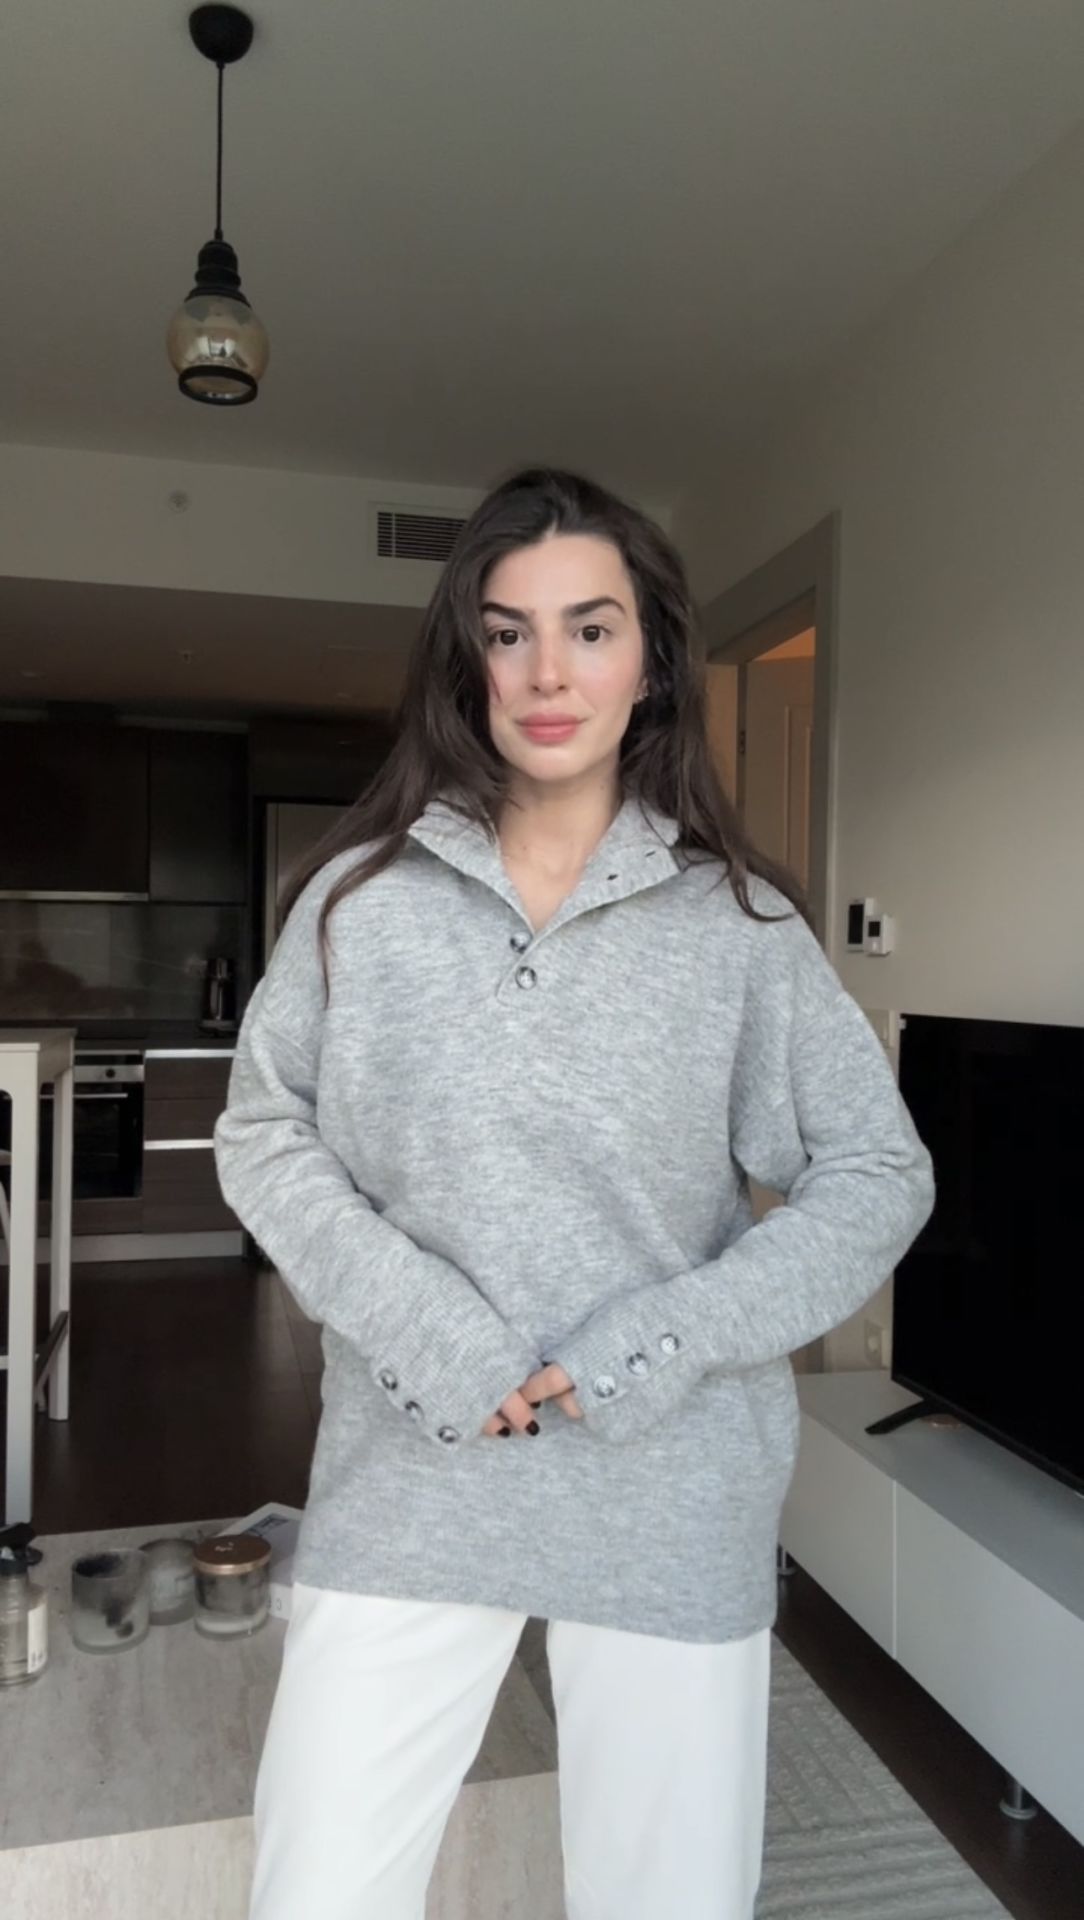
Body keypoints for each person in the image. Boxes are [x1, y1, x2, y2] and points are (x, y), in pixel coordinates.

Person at [214, 467, 935, 1920]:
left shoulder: (741, 927)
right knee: (318, 1890)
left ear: (651, 661)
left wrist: (652, 1345)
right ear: (466, 662)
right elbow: (264, 1134)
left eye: (590, 629)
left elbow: (879, 1172)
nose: (549, 672)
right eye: (509, 632)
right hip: (412, 1480)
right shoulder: (361, 902)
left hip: (671, 1489)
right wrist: (438, 1334)